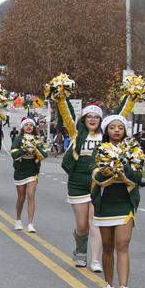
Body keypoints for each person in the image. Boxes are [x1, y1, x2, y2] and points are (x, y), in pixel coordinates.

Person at [91, 115, 143, 288]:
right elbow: (95, 174)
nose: (116, 130)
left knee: (122, 244)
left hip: (124, 203)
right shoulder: (100, 150)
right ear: (106, 131)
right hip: (105, 204)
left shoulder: (134, 151)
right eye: (112, 127)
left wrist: (123, 167)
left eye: (120, 127)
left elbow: (137, 176)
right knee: (107, 246)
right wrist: (111, 170)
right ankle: (108, 286)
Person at [59, 104, 105, 272]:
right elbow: (66, 113)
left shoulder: (105, 136)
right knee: (82, 226)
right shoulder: (76, 134)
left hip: (97, 183)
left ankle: (94, 260)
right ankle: (80, 249)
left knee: (95, 223)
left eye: (96, 117)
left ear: (100, 120)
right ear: (84, 119)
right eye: (89, 116)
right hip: (77, 182)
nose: (92, 119)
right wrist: (61, 95)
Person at [11, 117, 46, 232]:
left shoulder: (37, 139)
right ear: (23, 127)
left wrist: (35, 149)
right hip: (20, 171)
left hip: (32, 171)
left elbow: (44, 154)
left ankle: (31, 223)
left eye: (31, 125)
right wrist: (25, 150)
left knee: (31, 195)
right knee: (21, 198)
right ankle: (18, 220)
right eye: (26, 125)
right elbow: (14, 154)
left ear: (34, 127)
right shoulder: (18, 139)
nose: (29, 127)